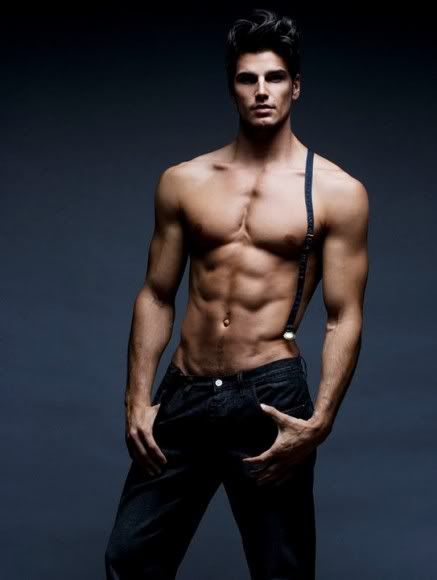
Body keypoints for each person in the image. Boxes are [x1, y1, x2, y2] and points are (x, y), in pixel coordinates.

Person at [104, 8, 369, 580]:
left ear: (296, 86)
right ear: (233, 88)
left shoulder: (337, 192)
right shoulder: (184, 181)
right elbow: (156, 294)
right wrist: (136, 399)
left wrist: (321, 419)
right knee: (130, 559)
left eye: (275, 77)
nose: (262, 91)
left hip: (269, 396)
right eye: (248, 79)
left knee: (281, 570)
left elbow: (343, 316)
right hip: (187, 391)